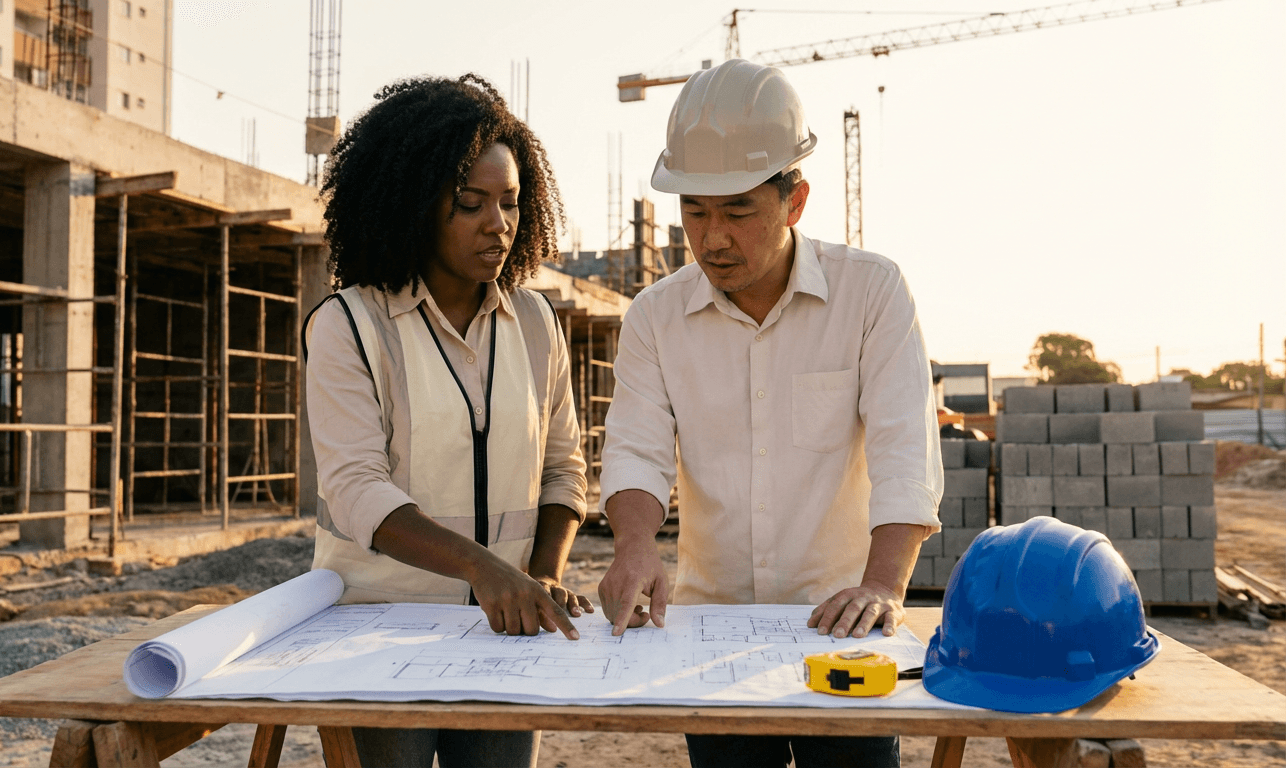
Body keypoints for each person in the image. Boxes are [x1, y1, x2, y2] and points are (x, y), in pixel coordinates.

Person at [596, 59, 943, 768]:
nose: (712, 238)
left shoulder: (872, 293)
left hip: (843, 626)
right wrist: (633, 545)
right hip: (709, 634)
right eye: (695, 211)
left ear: (795, 200)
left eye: (737, 211)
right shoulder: (654, 318)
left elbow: (905, 449)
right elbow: (636, 448)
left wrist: (883, 586)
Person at [304, 73, 589, 768]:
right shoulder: (349, 325)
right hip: (376, 635)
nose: (498, 223)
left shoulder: (536, 321)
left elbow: (563, 469)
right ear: (414, 203)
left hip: (507, 632)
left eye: (511, 202)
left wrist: (541, 574)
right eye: (470, 203)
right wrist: (485, 570)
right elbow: (357, 490)